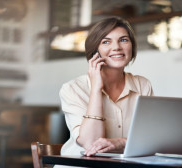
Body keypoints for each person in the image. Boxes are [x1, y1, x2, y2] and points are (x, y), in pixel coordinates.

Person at [59, 17, 154, 157]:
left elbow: (150, 139)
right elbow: (91, 144)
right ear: (95, 51)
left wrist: (120, 142)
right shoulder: (73, 89)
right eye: (106, 42)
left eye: (123, 40)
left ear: (131, 46)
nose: (116, 47)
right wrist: (96, 89)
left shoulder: (142, 85)